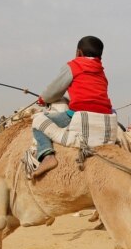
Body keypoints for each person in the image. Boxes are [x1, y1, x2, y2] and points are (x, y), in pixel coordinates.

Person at [32, 35, 113, 178]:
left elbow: (53, 92)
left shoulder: (74, 66)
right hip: (106, 115)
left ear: (79, 53)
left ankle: (46, 155)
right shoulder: (101, 72)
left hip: (79, 115)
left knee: (38, 120)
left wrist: (43, 99)